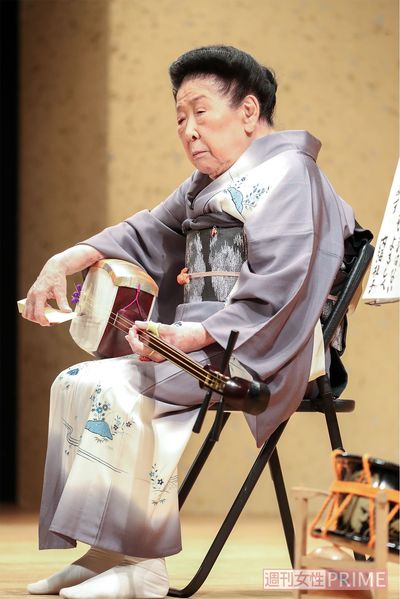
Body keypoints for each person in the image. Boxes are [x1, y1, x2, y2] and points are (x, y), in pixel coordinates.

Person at [22, 45, 366, 599]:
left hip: (265, 345)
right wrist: (66, 260)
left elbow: (285, 283)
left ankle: (144, 565)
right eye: (180, 117)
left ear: (248, 111)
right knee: (75, 381)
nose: (188, 130)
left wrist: (197, 332)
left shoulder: (291, 175)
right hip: (207, 342)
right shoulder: (207, 184)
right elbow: (145, 231)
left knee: (116, 388)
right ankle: (106, 553)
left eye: (200, 112)